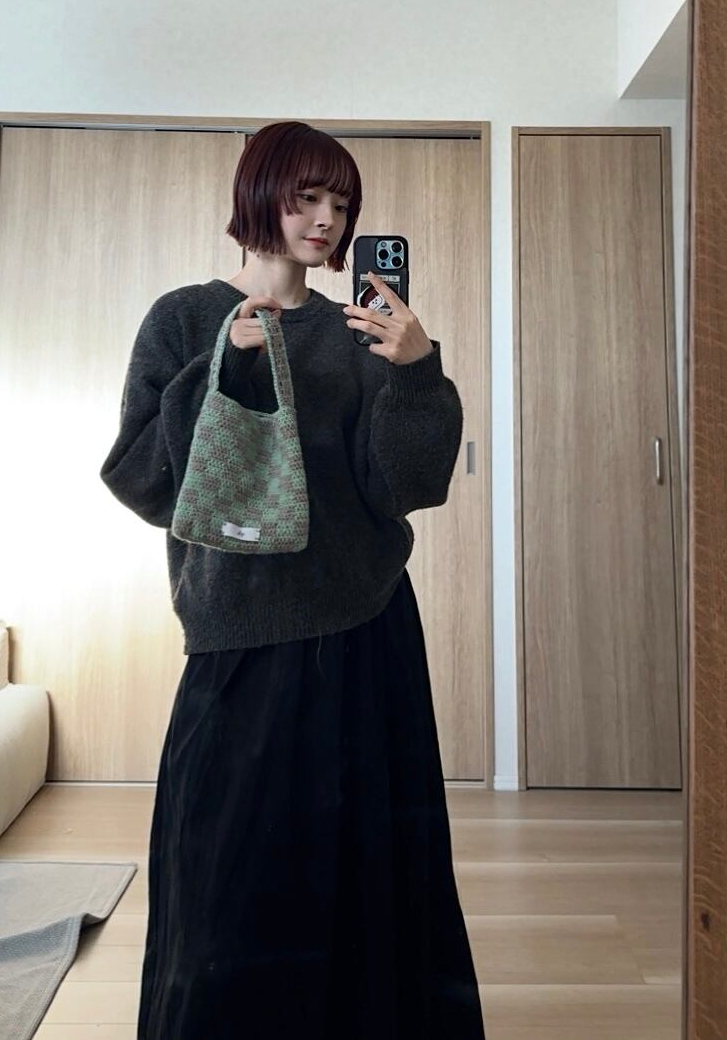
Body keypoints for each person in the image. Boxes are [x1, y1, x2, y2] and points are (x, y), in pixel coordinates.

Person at [100, 120, 486, 1039]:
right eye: (306, 197)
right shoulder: (184, 319)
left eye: (340, 204)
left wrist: (417, 373)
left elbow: (403, 487)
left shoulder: (360, 334)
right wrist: (221, 369)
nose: (325, 220)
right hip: (237, 634)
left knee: (371, 880)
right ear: (258, 196)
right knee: (225, 884)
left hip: (364, 626)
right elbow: (142, 480)